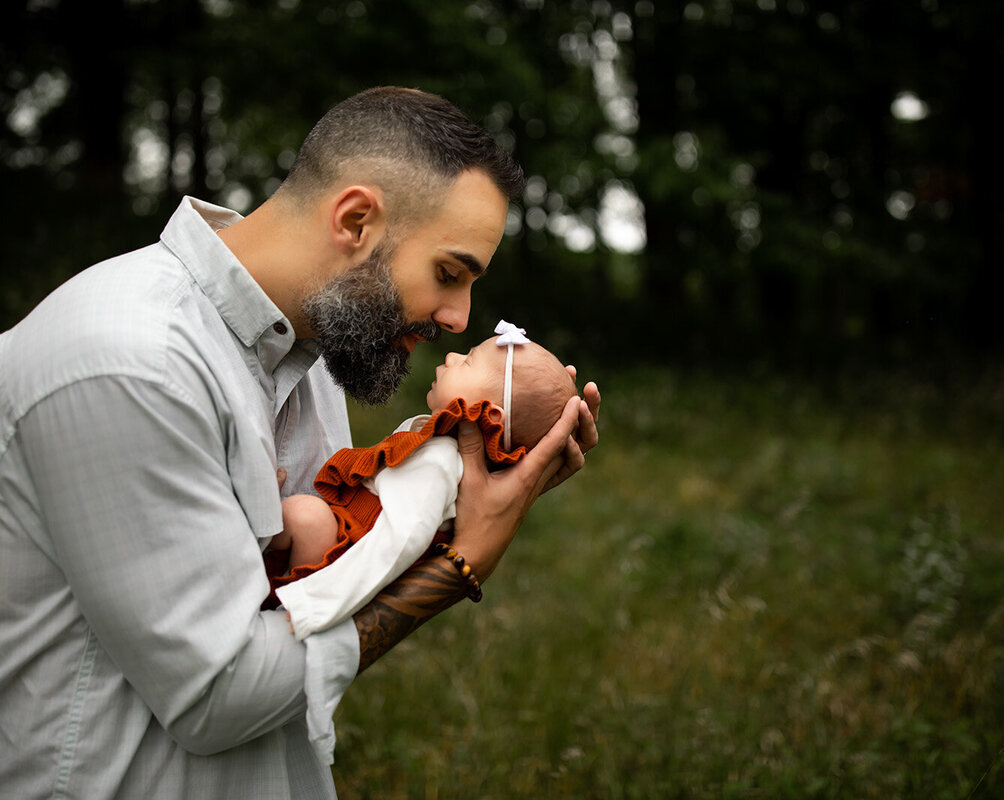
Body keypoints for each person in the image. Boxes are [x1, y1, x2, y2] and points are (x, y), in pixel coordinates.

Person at [0, 87, 600, 799]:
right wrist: (458, 563)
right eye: (449, 273)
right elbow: (216, 700)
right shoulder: (131, 362)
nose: (458, 316)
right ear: (355, 220)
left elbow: (312, 598)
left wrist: (463, 488)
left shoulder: (308, 350)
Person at [268, 321, 578, 644]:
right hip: (346, 538)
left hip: (345, 557)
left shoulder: (441, 462)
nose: (453, 356)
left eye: (468, 360)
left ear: (491, 414)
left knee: (305, 517)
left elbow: (400, 541)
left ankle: (281, 589)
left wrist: (317, 604)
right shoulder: (440, 447)